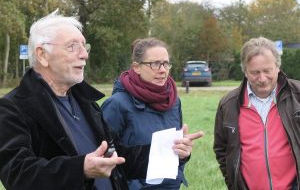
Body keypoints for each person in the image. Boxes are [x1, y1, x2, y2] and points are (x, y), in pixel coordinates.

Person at [0, 10, 203, 190]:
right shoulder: (14, 107)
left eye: (84, 46)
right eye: (72, 47)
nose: (84, 55)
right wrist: (80, 169)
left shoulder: (85, 103)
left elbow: (117, 157)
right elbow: (17, 173)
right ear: (42, 55)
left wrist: (172, 152)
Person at [101, 37, 204, 189]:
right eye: (155, 64)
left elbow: (172, 152)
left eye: (166, 63)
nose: (163, 70)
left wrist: (183, 154)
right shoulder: (116, 105)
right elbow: (103, 159)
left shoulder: (174, 101)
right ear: (136, 67)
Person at [213, 37, 300, 190]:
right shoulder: (229, 104)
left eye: (267, 71)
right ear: (245, 71)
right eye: (255, 72)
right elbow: (222, 150)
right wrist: (234, 184)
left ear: (278, 67)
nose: (262, 78)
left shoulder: (297, 95)